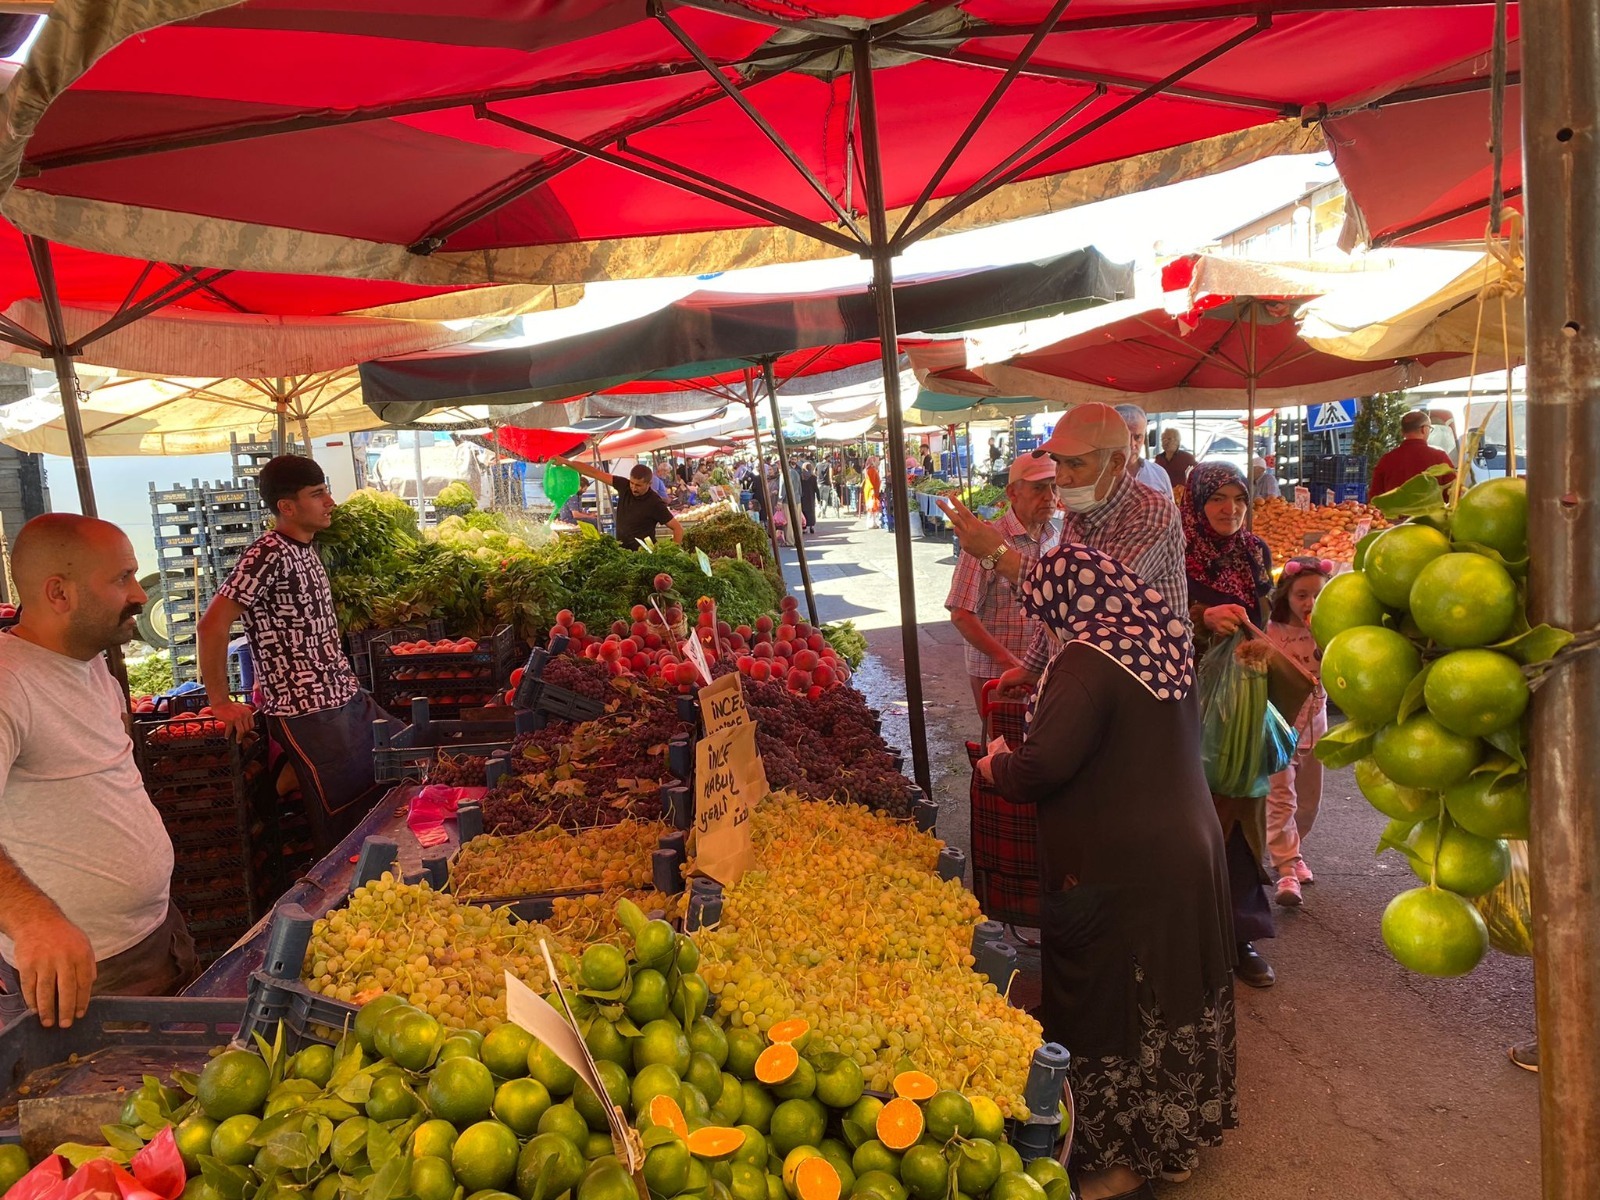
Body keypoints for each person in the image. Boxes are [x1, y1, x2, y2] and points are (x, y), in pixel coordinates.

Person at [979, 547, 1236, 1199]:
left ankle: (1122, 1163)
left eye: (1046, 612)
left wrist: (997, 764)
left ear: (1070, 604)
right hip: (1188, 845)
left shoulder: (1086, 661)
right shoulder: (1165, 637)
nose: (1046, 628)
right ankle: (1176, 1146)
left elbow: (1044, 767)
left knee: (1118, 1002)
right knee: (1174, 992)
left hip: (1122, 864)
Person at [0, 514, 198, 1028]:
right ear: (59, 593)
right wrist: (33, 919)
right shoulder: (9, 684)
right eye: (120, 579)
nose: (138, 593)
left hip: (157, 936)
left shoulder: (92, 665)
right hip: (87, 976)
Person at [201, 456, 399, 855]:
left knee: (394, 773)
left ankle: (285, 779)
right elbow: (212, 624)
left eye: (325, 490)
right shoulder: (266, 554)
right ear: (286, 507)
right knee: (348, 821)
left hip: (344, 696)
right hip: (305, 709)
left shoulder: (306, 548)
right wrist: (219, 702)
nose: (330, 501)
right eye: (317, 494)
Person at [939, 403, 1188, 699]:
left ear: (1117, 463)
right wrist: (1033, 666)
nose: (1062, 479)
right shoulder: (1078, 513)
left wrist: (999, 556)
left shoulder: (1151, 512)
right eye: (1060, 463)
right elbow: (1057, 614)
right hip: (1086, 681)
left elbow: (1093, 600)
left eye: (1076, 464)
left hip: (1141, 687)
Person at [1182, 462, 1285, 989]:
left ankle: (1240, 935)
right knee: (1195, 819)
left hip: (1245, 701)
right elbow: (1159, 619)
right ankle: (1190, 935)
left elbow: (1268, 617)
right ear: (1197, 503)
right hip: (1189, 703)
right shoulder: (1176, 554)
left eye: (1238, 499)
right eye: (1217, 499)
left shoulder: (1255, 552)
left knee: (1244, 810)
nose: (1229, 509)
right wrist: (1201, 619)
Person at [944, 456, 1061, 714]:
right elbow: (961, 614)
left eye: (1054, 486)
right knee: (1005, 748)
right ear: (1012, 493)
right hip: (997, 676)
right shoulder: (986, 540)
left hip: (1044, 673)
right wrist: (1009, 663)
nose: (1050, 496)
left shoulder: (1055, 538)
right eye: (1039, 488)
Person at [1264, 558, 1332, 907]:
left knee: (1308, 804)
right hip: (1279, 728)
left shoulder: (1331, 631)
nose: (1309, 604)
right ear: (1286, 596)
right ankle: (1286, 866)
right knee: (1281, 799)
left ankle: (1295, 851)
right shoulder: (1272, 632)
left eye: (1317, 596)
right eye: (1302, 595)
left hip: (1316, 731)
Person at [550, 456, 685, 551]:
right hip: (621, 549)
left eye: (638, 485)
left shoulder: (655, 502)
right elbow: (593, 472)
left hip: (644, 554)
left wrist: (672, 554)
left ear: (649, 484)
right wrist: (565, 462)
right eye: (632, 482)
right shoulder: (623, 485)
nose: (633, 487)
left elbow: (678, 529)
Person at [1370, 410, 1456, 497]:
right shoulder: (1439, 458)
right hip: (1430, 510)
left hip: (1394, 510)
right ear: (1424, 429)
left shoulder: (1386, 460)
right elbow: (1454, 494)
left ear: (1402, 432)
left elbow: (1374, 498)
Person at [1114, 404, 1175, 501]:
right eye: (1125, 437)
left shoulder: (1159, 474)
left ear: (1144, 437)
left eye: (1137, 437)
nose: (1131, 444)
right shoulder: (1097, 476)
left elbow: (1173, 514)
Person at [799, 462, 819, 535]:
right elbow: (816, 488)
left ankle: (804, 527)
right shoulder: (813, 477)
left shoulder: (801, 476)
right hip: (811, 497)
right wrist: (819, 497)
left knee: (804, 512)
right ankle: (811, 526)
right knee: (811, 512)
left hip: (803, 497)